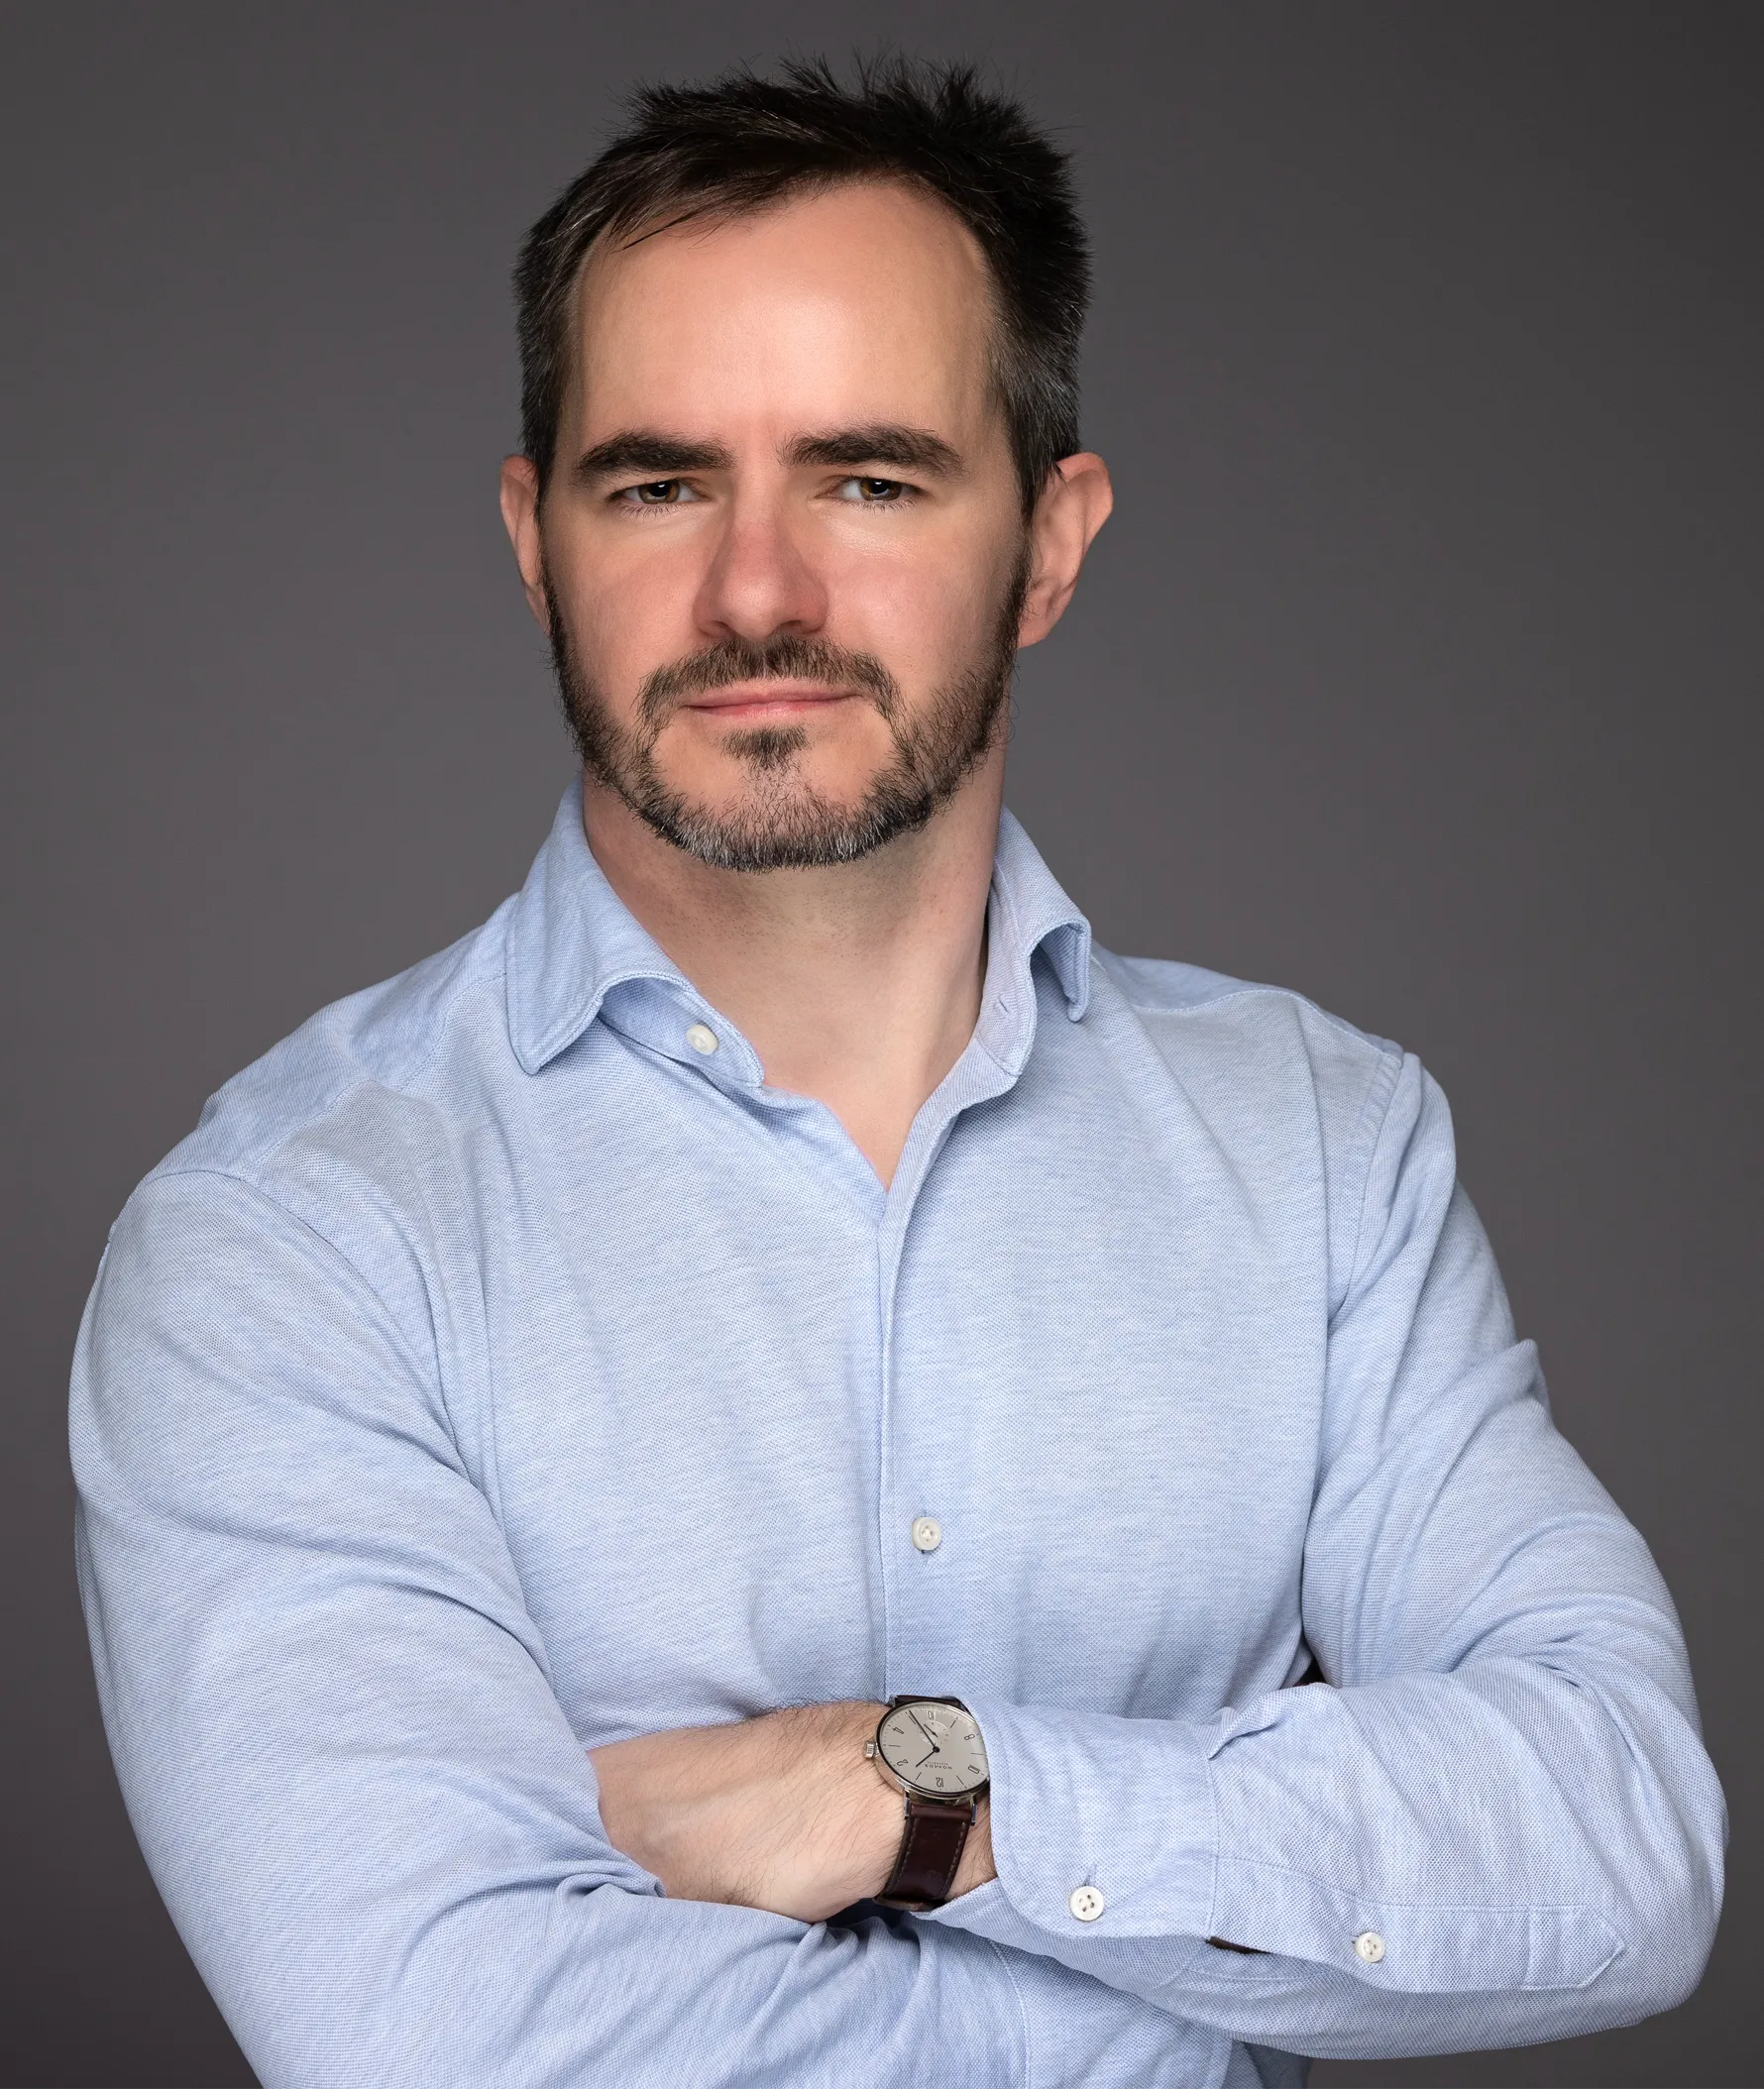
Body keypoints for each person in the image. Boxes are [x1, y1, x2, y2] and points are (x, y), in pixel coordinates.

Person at [71, 55, 1723, 2089]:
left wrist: (913, 1791)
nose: (755, 589)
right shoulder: (286, 1240)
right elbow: (445, 2036)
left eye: (865, 477)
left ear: (1048, 540)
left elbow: (1616, 1838)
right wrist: (1181, 1953)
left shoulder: (1319, 1148)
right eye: (658, 481)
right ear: (532, 538)